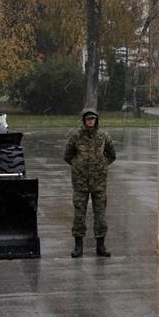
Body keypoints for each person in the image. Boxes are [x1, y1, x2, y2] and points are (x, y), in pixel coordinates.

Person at [64, 108, 116, 258]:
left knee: (100, 215)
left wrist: (101, 165)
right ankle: (78, 246)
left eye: (93, 119)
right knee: (79, 214)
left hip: (99, 183)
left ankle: (101, 246)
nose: (91, 121)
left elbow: (112, 155)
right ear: (84, 121)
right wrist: (78, 166)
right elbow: (67, 156)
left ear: (96, 120)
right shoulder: (76, 137)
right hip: (80, 183)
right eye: (88, 119)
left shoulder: (103, 136)